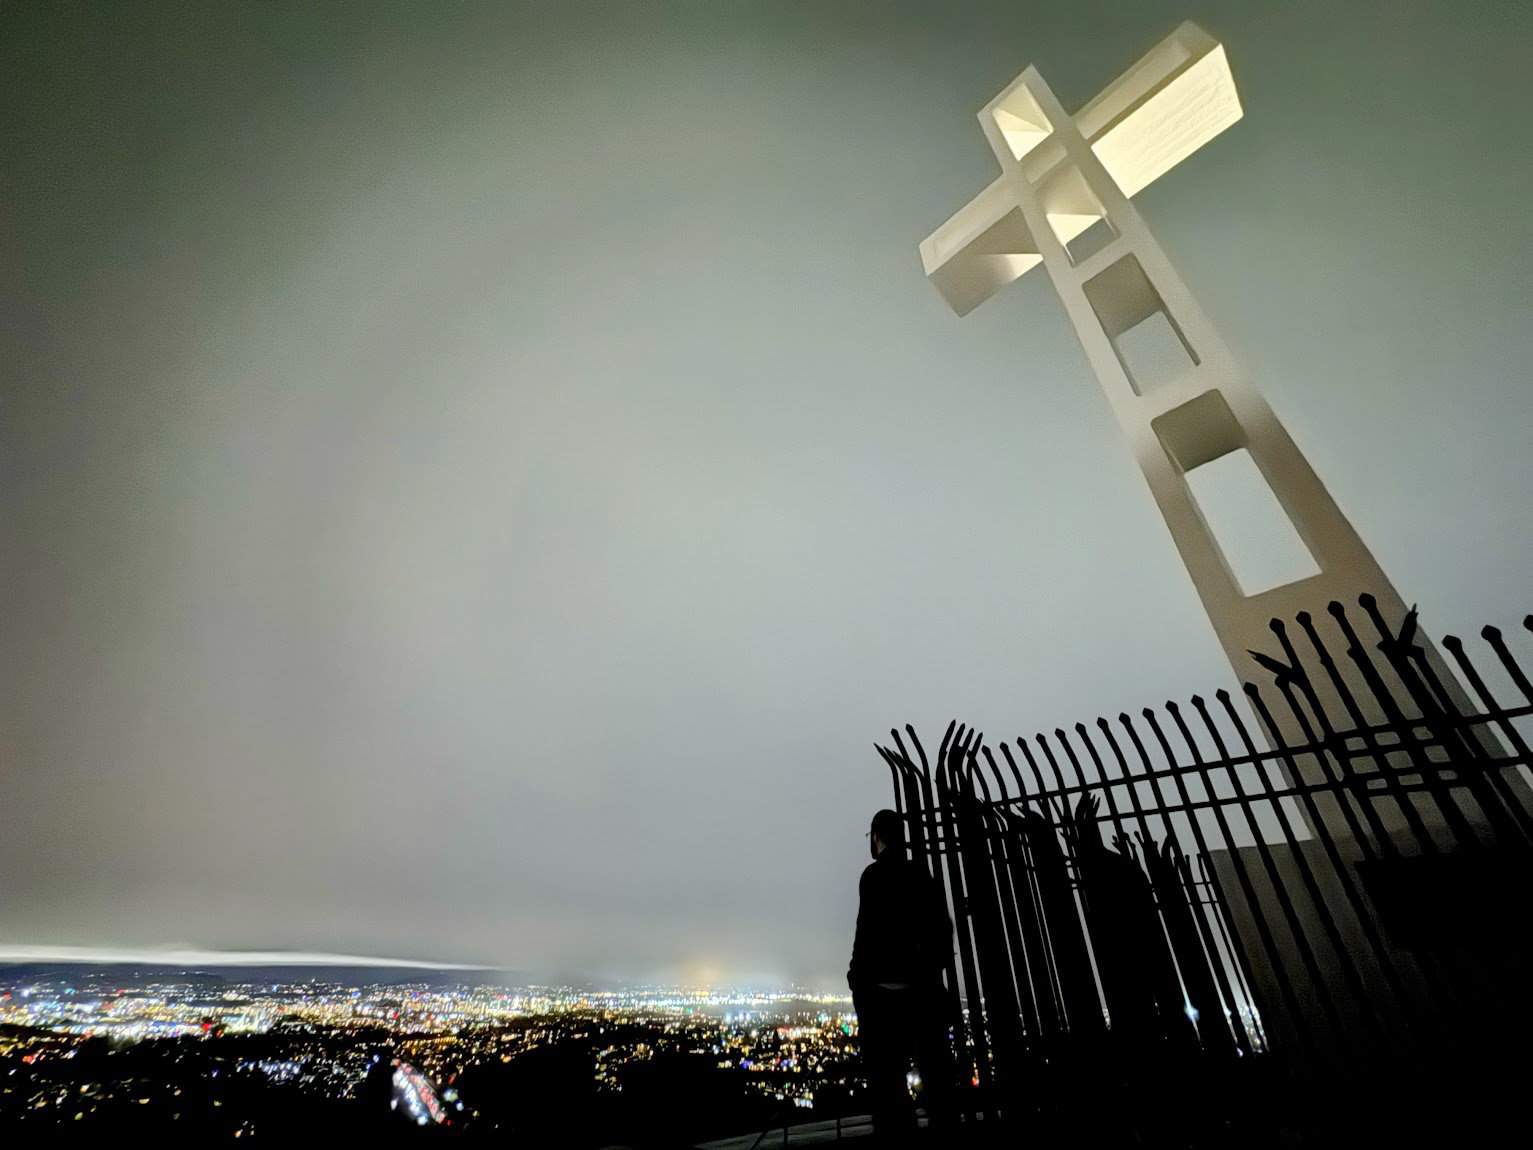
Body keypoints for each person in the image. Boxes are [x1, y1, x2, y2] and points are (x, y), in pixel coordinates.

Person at [847, 808, 956, 1140]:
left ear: (877, 836)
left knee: (889, 1088)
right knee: (936, 1084)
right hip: (922, 995)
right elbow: (943, 933)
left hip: (883, 998)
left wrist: (856, 978)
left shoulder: (873, 877)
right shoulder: (923, 877)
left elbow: (864, 935)